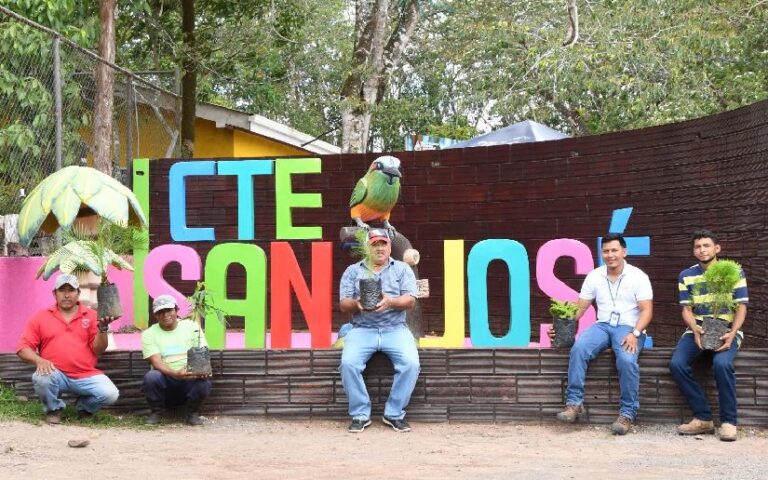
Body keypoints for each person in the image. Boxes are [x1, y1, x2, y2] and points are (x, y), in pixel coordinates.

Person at [552, 233, 653, 435]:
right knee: (579, 349)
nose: (610, 255)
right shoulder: (595, 276)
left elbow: (647, 310)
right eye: (606, 251)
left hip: (628, 327)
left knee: (625, 359)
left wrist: (635, 333)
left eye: (614, 250)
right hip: (603, 325)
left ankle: (627, 413)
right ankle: (574, 404)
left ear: (624, 252)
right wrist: (564, 324)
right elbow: (580, 309)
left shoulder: (638, 276)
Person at [669, 230, 748, 442]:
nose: (702, 250)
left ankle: (729, 422)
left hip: (728, 329)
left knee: (722, 364)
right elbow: (686, 309)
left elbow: (741, 306)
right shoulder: (686, 275)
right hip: (698, 329)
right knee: (677, 364)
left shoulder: (734, 272)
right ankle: (703, 418)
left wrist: (732, 334)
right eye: (697, 246)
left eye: (706, 245)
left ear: (717, 248)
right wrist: (695, 329)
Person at [338, 228, 420, 433]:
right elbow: (343, 304)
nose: (380, 248)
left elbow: (410, 300)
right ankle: (359, 414)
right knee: (348, 364)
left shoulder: (402, 269)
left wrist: (390, 301)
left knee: (411, 364)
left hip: (395, 329)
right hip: (362, 329)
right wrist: (357, 304)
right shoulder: (353, 271)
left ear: (390, 246)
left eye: (383, 243)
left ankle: (393, 413)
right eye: (375, 244)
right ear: (368, 247)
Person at [17, 273, 120, 424]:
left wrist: (103, 328)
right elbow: (22, 349)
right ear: (54, 293)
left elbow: (98, 350)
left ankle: (84, 407)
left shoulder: (92, 316)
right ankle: (54, 410)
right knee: (41, 377)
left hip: (86, 374)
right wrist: (39, 360)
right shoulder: (41, 317)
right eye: (62, 290)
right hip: (55, 373)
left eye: (71, 290)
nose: (66, 295)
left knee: (111, 394)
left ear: (78, 293)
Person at [141, 294, 212, 426]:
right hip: (166, 380)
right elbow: (156, 362)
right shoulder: (149, 334)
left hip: (189, 377)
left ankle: (192, 413)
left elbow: (201, 357)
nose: (165, 314)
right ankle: (156, 412)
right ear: (155, 315)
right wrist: (176, 374)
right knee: (151, 377)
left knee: (203, 382)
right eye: (160, 312)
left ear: (176, 310)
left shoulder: (192, 327)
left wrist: (196, 371)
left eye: (169, 310)